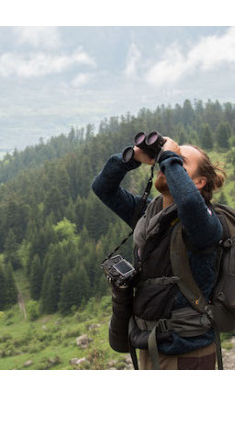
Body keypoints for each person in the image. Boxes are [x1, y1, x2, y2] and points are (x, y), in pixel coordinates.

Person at [92, 136, 226, 370]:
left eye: (180, 161)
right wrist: (132, 157)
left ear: (199, 182)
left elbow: (190, 206)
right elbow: (102, 188)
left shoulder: (204, 224)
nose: (167, 165)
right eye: (166, 159)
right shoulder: (147, 213)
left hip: (187, 351)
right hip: (149, 343)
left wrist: (168, 157)